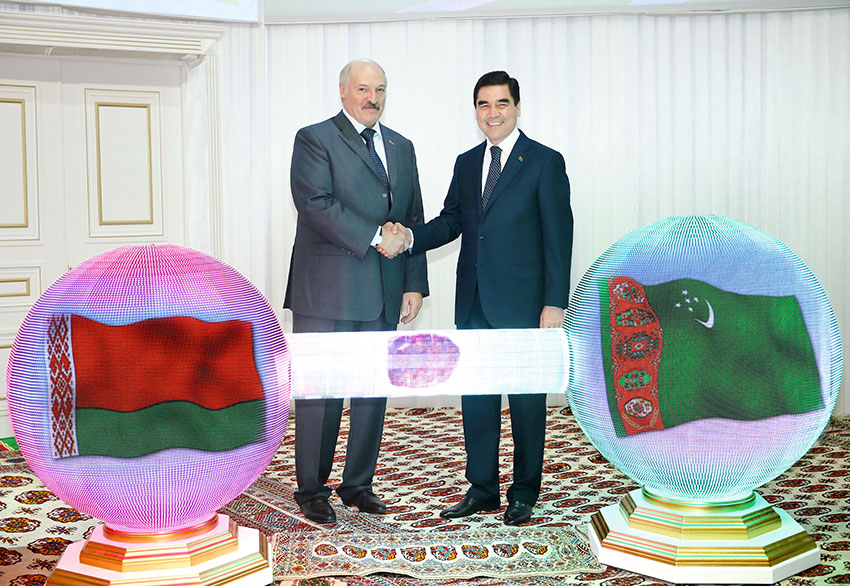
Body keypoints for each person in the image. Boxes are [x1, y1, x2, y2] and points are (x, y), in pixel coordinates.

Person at [386, 70, 572, 525]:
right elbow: (452, 221)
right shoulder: (467, 163)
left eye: (502, 103)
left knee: (526, 403)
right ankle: (483, 488)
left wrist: (555, 303)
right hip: (473, 301)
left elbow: (558, 236)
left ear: (517, 107)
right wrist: (410, 237)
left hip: (525, 305)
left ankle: (524, 491)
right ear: (476, 111)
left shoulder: (544, 161)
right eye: (484, 105)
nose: (493, 113)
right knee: (477, 401)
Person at [284, 58, 428, 524]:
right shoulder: (315, 138)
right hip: (327, 290)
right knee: (320, 394)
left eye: (380, 89)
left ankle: (358, 484)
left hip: (385, 289)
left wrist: (414, 283)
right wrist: (374, 236)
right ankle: (311, 490)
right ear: (343, 91)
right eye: (363, 89)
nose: (373, 98)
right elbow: (315, 205)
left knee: (371, 391)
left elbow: (412, 218)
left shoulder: (401, 146)